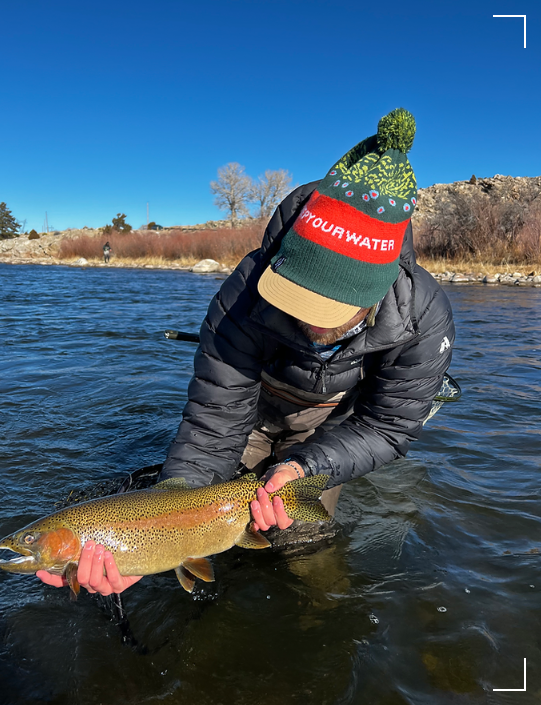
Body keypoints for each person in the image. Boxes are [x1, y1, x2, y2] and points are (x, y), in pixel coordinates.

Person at [38, 108, 455, 595]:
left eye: (330, 307)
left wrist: (304, 467)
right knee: (207, 518)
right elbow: (212, 423)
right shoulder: (244, 292)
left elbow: (388, 425)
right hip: (251, 411)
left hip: (335, 424)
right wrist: (160, 538)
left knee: (304, 546)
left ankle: (324, 612)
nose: (309, 320)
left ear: (377, 290)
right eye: (295, 294)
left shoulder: (424, 318)